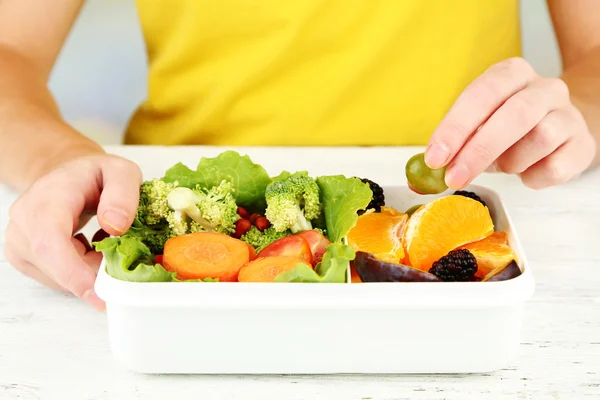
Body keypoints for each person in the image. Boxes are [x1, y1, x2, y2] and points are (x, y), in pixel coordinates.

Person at [1, 1, 598, 311]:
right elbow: (10, 50)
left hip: (460, 221)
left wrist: (577, 116)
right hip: (189, 240)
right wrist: (56, 156)